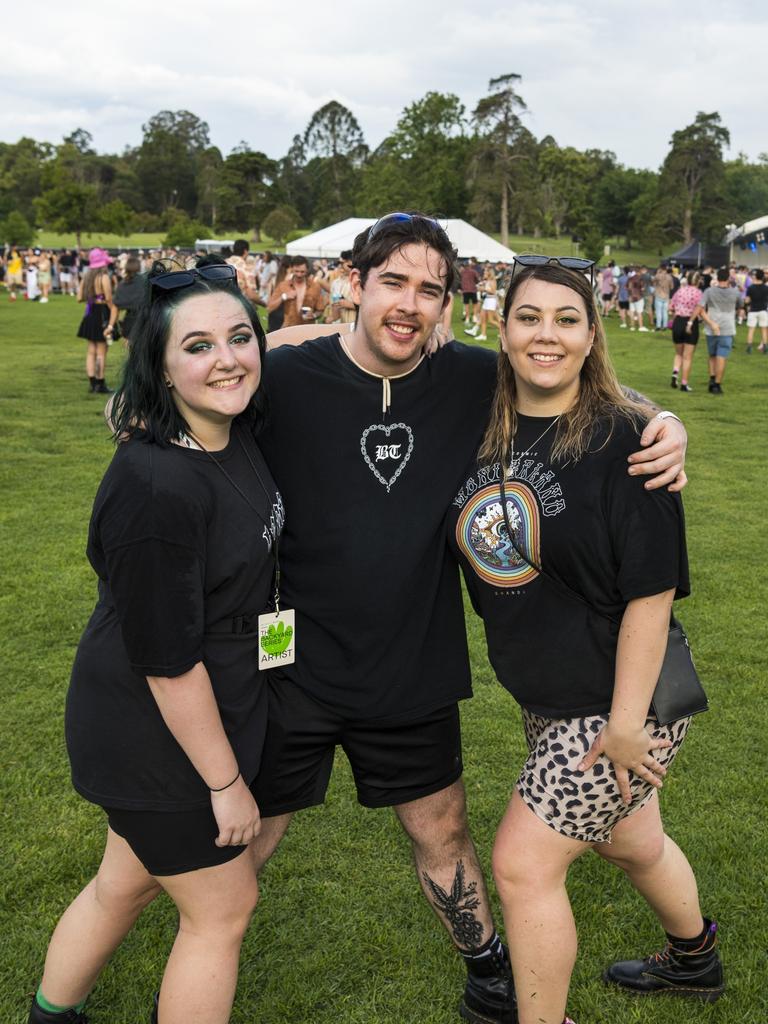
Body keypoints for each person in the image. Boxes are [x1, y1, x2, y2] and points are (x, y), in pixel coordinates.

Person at [251, 214, 689, 1024]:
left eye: (429, 289)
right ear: (356, 279)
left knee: (451, 836)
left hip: (414, 665)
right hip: (291, 663)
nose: (410, 304)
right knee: (245, 837)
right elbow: (210, 377)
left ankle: (491, 973)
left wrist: (667, 422)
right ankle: (205, 928)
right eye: (393, 282)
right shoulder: (289, 375)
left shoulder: (467, 378)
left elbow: (570, 381)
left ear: (450, 302)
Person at [448, 257, 722, 1024]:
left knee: (522, 864)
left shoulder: (628, 440)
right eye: (529, 317)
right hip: (548, 690)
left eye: (567, 320)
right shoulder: (478, 415)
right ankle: (695, 959)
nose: (547, 335)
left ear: (592, 334)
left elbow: (652, 593)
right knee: (630, 843)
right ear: (500, 331)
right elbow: (348, 342)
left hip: (622, 702)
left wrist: (628, 722)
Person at [28, 257, 281, 1024]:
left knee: (126, 881)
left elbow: (309, 340)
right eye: (198, 346)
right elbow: (167, 662)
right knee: (223, 909)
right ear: (162, 368)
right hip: (152, 725)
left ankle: (50, 1013)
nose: (227, 358)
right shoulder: (155, 489)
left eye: (240, 338)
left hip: (211, 698)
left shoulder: (227, 429)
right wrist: (224, 782)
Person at [694, 267, 743, 394]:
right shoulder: (735, 292)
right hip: (727, 327)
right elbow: (741, 304)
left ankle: (712, 377)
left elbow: (700, 308)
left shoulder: (709, 291)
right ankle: (717, 383)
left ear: (717, 278)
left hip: (712, 326)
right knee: (722, 356)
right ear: (728, 278)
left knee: (712, 354)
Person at [667, 271, 718, 391]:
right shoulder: (698, 293)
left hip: (678, 322)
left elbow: (670, 307)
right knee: (687, 357)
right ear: (698, 281)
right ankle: (684, 384)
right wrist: (711, 323)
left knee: (678, 353)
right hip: (691, 323)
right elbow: (700, 310)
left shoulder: (680, 291)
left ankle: (675, 373)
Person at [76, 248, 118, 394]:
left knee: (91, 350)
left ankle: (92, 383)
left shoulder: (86, 276)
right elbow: (108, 299)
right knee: (101, 351)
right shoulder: (103, 277)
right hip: (101, 314)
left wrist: (92, 297)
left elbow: (79, 298)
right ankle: (100, 383)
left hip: (90, 313)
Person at [266, 255, 326, 328]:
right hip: (288, 328)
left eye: (302, 272)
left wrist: (314, 315)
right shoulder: (283, 285)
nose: (299, 274)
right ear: (291, 269)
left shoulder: (315, 287)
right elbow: (269, 308)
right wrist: (284, 296)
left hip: (308, 329)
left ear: (307, 270)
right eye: (296, 271)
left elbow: (320, 309)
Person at [113, 254, 145, 344]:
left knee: (130, 352)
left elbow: (116, 305)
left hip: (130, 321)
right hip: (144, 319)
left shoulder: (123, 283)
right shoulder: (145, 281)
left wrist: (111, 325)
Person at [745, 268, 768, 353]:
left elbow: (747, 301)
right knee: (764, 329)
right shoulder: (766, 288)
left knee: (751, 329)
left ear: (755, 277)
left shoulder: (750, 288)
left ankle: (749, 347)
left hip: (753, 310)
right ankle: (765, 347)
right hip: (763, 310)